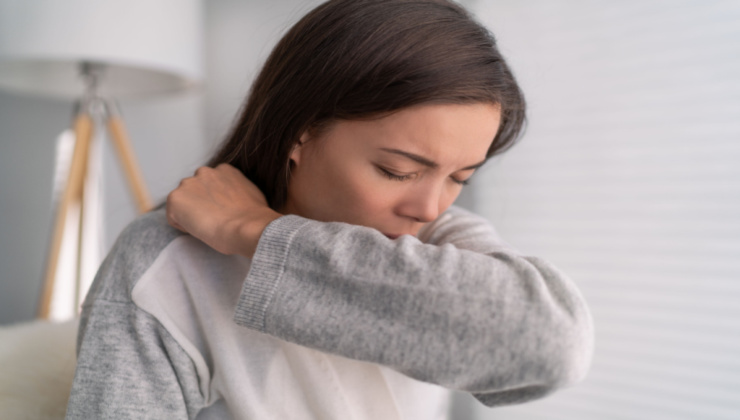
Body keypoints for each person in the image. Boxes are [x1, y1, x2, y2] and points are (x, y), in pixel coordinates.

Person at [65, 0, 594, 419]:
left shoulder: (442, 240)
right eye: (398, 171)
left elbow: (553, 345)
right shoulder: (165, 266)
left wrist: (252, 230)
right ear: (300, 131)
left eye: (461, 177)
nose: (428, 206)